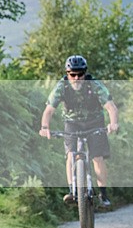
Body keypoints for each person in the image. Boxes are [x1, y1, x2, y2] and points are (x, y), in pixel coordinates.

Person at [39, 55, 119, 208]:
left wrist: (113, 123)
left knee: (97, 158)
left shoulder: (94, 85)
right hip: (72, 123)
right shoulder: (62, 86)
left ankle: (103, 193)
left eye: (80, 74)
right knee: (70, 155)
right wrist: (44, 128)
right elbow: (49, 111)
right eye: (72, 74)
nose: (76, 78)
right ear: (67, 74)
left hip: (95, 122)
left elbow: (111, 107)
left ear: (85, 73)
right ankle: (72, 190)